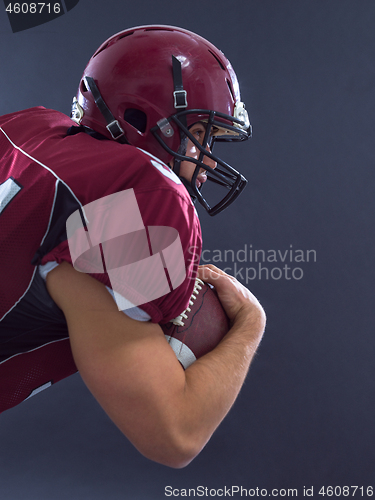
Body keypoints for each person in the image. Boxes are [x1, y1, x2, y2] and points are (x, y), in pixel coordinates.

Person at [0, 25, 265, 468]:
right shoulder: (130, 203)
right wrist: (250, 326)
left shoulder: (27, 131)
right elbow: (173, 435)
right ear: (142, 118)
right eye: (200, 135)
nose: (211, 160)